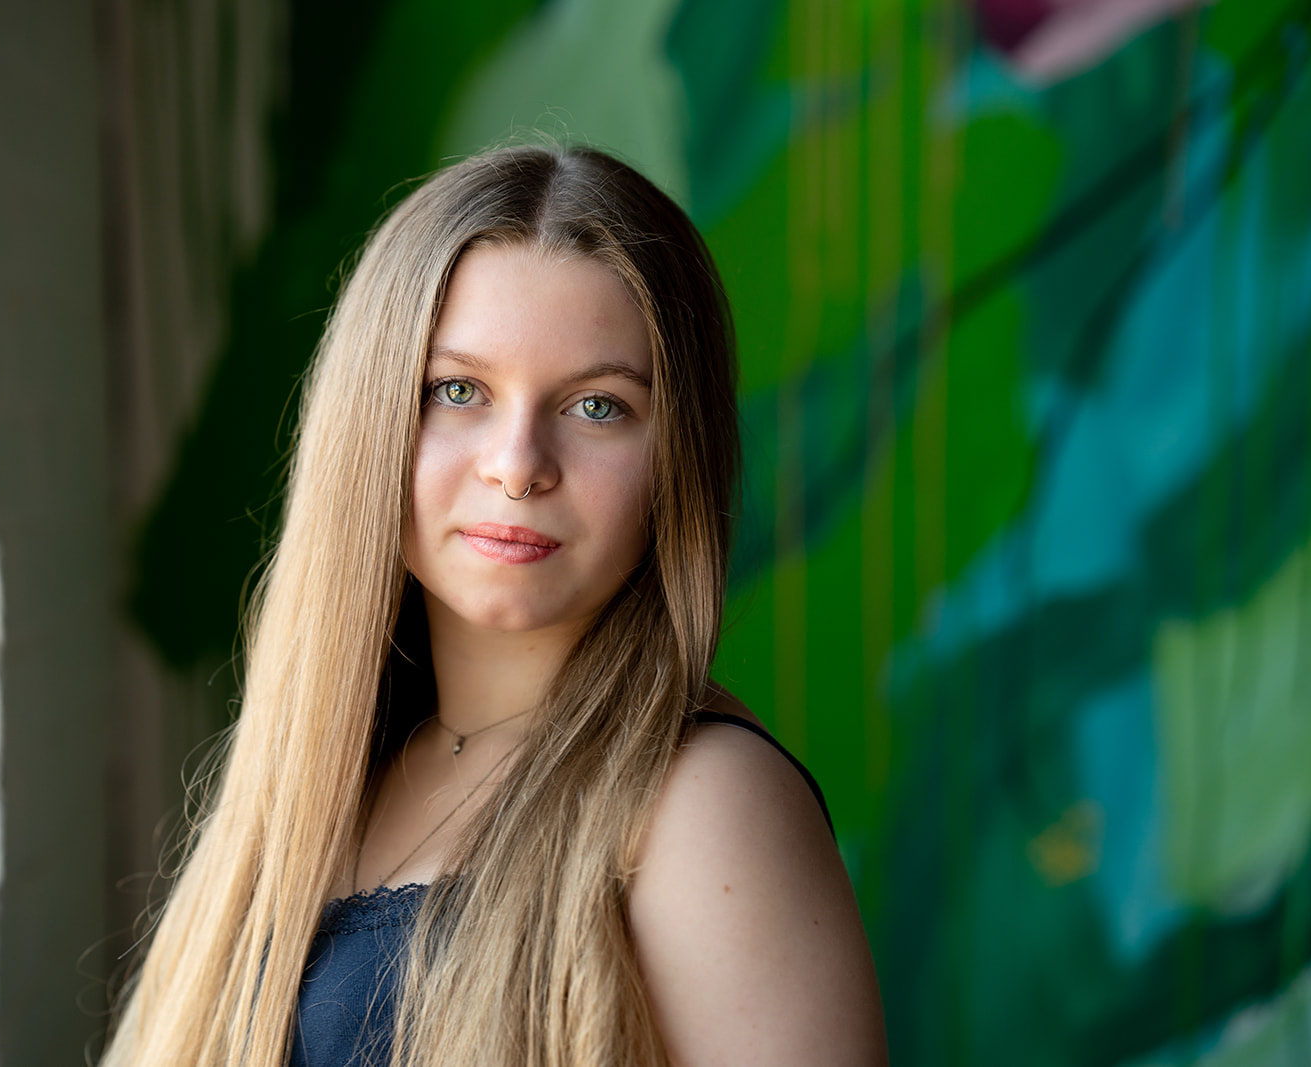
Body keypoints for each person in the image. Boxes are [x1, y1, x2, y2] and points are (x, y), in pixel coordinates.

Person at [102, 143, 887, 1066]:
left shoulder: (704, 801)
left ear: (676, 457)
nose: (517, 465)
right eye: (458, 390)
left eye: (598, 406)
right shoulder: (322, 766)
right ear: (371, 416)